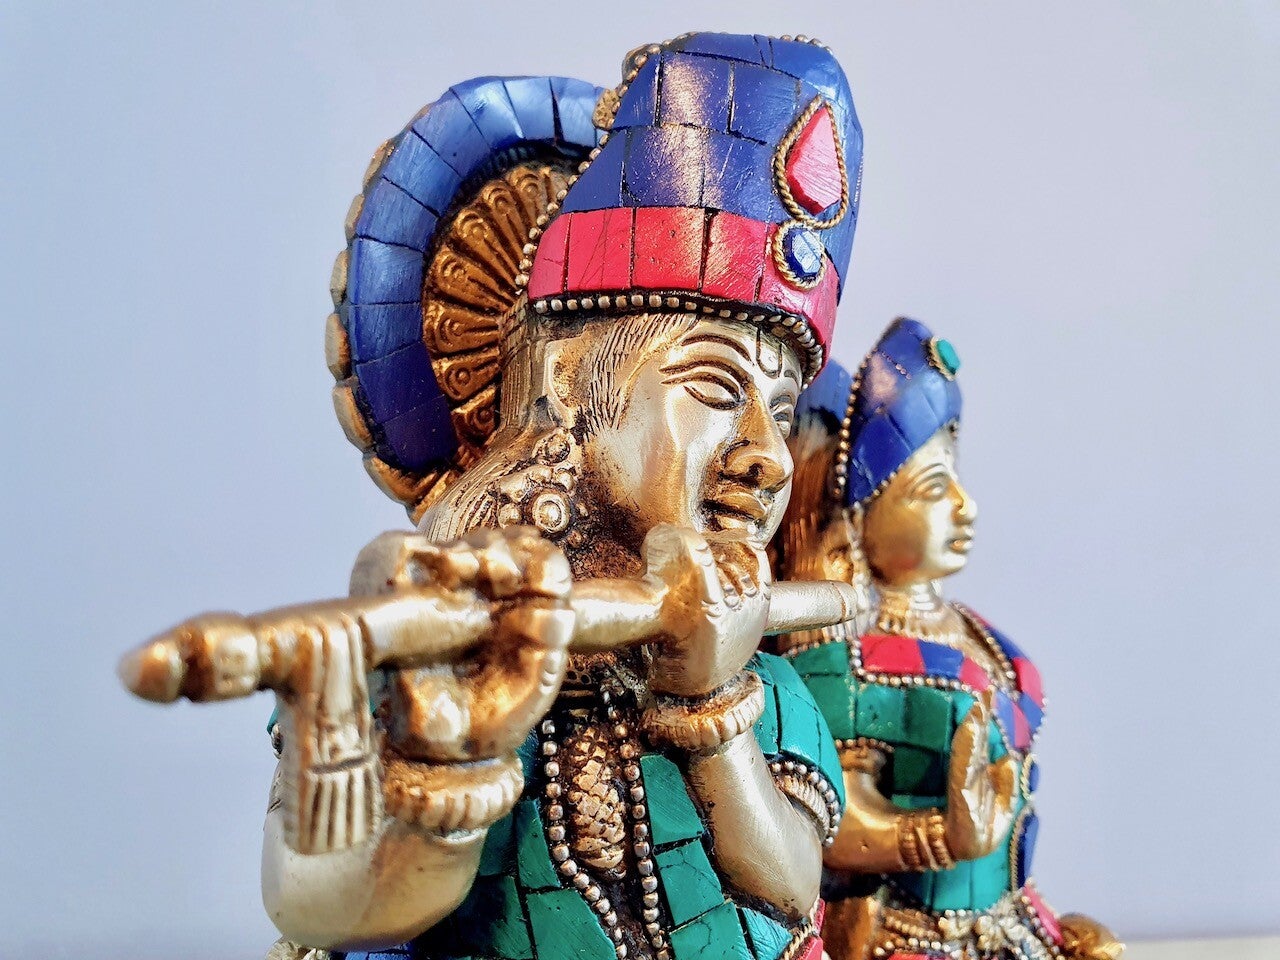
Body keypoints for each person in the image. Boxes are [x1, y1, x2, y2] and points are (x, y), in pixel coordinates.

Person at [121, 33, 868, 960]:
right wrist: (455, 756)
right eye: (714, 388)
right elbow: (311, 902)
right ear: (567, 382)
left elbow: (790, 885)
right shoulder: (435, 650)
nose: (765, 456)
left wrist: (714, 708)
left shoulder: (766, 689)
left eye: (782, 411)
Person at [773, 319, 1122, 960]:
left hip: (1011, 919)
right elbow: (824, 818)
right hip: (909, 933)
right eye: (932, 489)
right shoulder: (839, 665)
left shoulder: (980, 638)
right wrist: (941, 835)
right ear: (859, 517)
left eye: (954, 480)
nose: (965, 505)